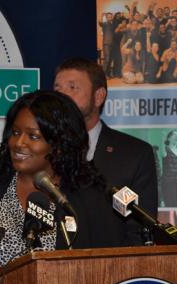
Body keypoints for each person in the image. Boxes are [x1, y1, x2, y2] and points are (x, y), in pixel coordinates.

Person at [0, 91, 127, 284]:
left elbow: (108, 269)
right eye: (16, 133)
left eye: (33, 136)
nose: (18, 143)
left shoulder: (87, 199)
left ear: (58, 144)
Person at [53, 58, 157, 244]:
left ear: (99, 96)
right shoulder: (42, 150)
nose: (62, 97)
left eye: (72, 88)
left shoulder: (133, 155)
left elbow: (139, 232)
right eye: (58, 89)